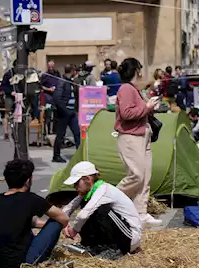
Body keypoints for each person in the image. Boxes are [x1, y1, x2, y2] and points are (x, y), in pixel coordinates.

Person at [0, 158, 71, 268]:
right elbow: (64, 218)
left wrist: (41, 225)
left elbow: (24, 221)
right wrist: (63, 226)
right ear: (28, 181)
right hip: (18, 266)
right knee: (56, 222)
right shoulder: (31, 199)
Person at [115, 57, 162, 225]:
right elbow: (127, 113)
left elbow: (137, 112)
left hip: (142, 136)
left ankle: (140, 212)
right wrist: (147, 107)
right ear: (136, 70)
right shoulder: (126, 89)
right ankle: (109, 199)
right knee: (136, 175)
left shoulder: (133, 89)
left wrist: (150, 110)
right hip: (131, 137)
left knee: (145, 176)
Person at [61, 161, 142, 256]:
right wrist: (64, 223)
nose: (74, 187)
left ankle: (115, 249)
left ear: (87, 179)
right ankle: (91, 245)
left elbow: (82, 216)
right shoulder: (90, 191)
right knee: (87, 206)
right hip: (120, 233)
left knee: (101, 210)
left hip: (129, 237)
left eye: (76, 183)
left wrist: (73, 230)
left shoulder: (103, 190)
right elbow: (68, 208)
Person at [42, 67, 79, 164]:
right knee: (60, 135)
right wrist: (65, 110)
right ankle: (56, 155)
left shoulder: (71, 82)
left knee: (77, 133)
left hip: (72, 112)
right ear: (72, 71)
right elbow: (57, 97)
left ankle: (80, 154)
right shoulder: (62, 82)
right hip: (64, 113)